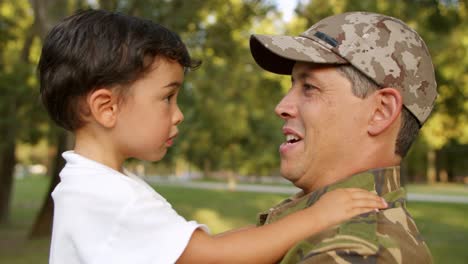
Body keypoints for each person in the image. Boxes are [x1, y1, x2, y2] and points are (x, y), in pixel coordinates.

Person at [38, 9, 387, 264]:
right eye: (167, 97)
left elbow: (204, 245)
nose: (178, 114)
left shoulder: (97, 186)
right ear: (106, 107)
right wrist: (317, 217)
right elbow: (214, 257)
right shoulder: (107, 196)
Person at [249, 11, 436, 263]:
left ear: (380, 112)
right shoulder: (318, 224)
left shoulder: (354, 253)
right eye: (292, 85)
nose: (282, 106)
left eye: (309, 87)